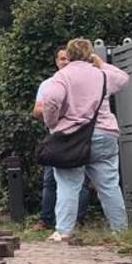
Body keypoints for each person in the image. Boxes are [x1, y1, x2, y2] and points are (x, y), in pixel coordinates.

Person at [39, 39, 129, 242]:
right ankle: (122, 232)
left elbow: (51, 100)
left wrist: (53, 124)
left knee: (68, 184)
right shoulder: (102, 74)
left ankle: (63, 231)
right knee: (109, 185)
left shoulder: (62, 76)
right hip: (105, 133)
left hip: (71, 138)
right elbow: (123, 79)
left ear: (68, 56)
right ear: (90, 55)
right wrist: (101, 63)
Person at [33, 47, 90, 230]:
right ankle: (47, 220)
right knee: (50, 180)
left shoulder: (83, 82)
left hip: (80, 136)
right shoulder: (48, 84)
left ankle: (76, 221)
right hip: (56, 137)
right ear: (56, 62)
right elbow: (38, 110)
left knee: (80, 182)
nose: (64, 62)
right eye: (61, 59)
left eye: (67, 58)